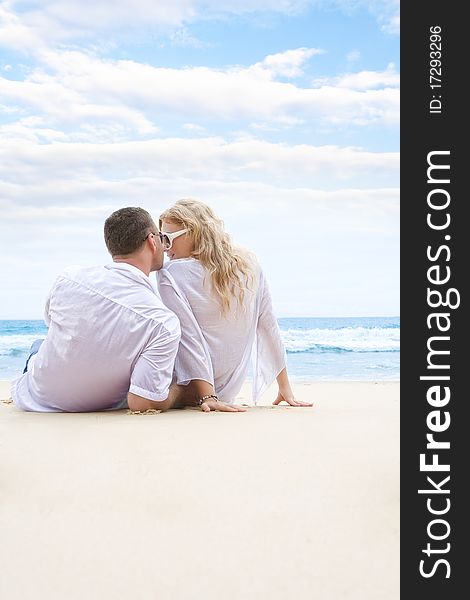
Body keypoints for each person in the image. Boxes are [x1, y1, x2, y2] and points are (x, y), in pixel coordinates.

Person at [11, 207, 242, 413]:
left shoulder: (68, 278)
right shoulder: (162, 322)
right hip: (94, 404)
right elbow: (142, 402)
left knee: (41, 345)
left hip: (34, 396)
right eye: (163, 239)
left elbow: (56, 326)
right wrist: (182, 393)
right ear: (152, 241)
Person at [156, 199, 312, 407]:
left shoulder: (171, 274)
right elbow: (268, 325)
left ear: (194, 233)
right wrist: (284, 387)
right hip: (225, 389)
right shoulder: (250, 265)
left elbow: (188, 337)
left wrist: (207, 396)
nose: (165, 248)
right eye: (161, 239)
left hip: (191, 384)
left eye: (168, 238)